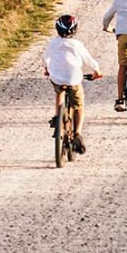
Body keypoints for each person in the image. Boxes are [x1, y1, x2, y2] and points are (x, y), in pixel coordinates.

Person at [43, 14, 103, 154]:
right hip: (74, 79)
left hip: (56, 77)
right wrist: (97, 71)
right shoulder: (77, 45)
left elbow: (45, 58)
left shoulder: (52, 43)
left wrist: (47, 69)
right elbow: (88, 60)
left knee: (59, 90)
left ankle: (58, 117)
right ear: (75, 30)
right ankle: (77, 133)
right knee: (79, 105)